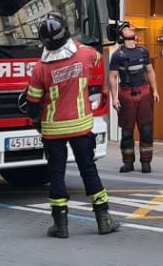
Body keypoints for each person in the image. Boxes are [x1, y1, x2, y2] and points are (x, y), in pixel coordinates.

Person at [21, 13, 120, 238]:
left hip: (53, 128)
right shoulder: (84, 54)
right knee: (88, 170)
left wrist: (37, 123)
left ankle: (61, 225)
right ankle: (103, 219)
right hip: (82, 126)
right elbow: (96, 58)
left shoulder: (40, 69)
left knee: (56, 173)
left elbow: (33, 103)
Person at [107, 22, 157, 173]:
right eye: (128, 28)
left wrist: (155, 90)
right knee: (127, 132)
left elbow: (150, 71)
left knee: (147, 129)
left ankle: (146, 162)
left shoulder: (143, 52)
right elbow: (113, 77)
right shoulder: (117, 55)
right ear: (122, 36)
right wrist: (114, 98)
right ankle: (128, 162)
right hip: (126, 95)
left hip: (143, 92)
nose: (131, 30)